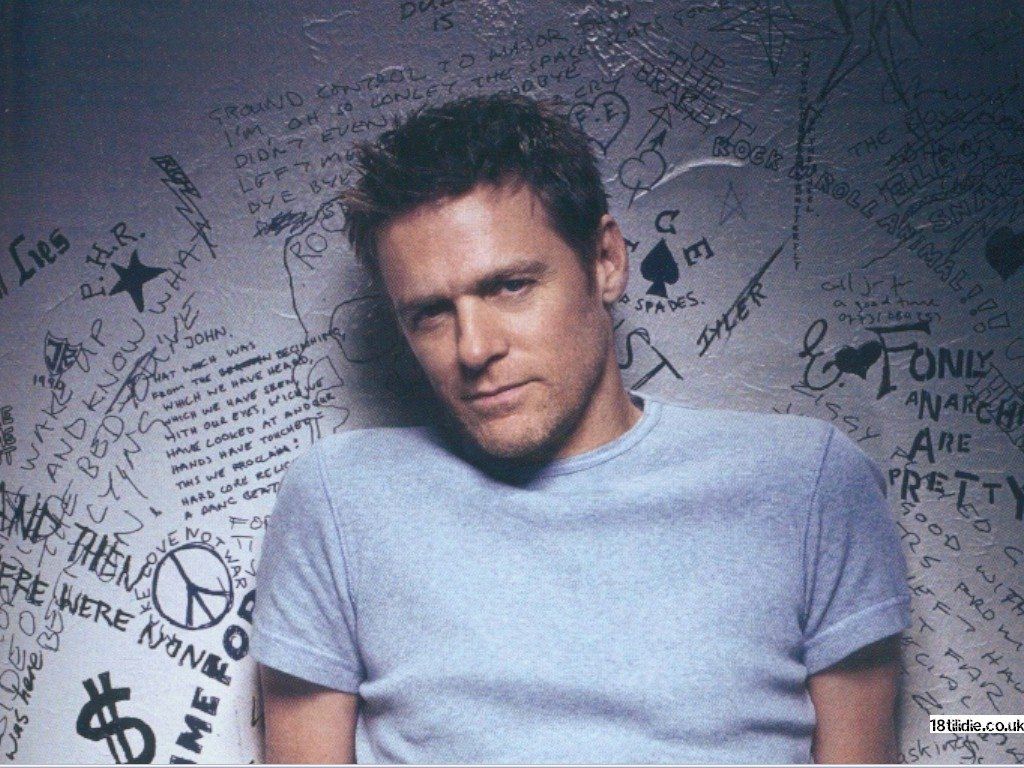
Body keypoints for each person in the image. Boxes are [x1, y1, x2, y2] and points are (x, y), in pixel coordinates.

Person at [250, 92, 911, 764]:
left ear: (606, 260)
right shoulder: (340, 500)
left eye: (510, 286)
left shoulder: (808, 485)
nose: (473, 348)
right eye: (430, 313)